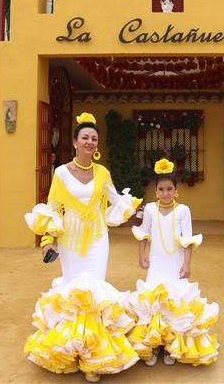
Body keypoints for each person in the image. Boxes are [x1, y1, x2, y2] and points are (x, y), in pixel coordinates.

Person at [24, 112, 142, 382]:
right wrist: (47, 241)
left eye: (94, 138)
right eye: (85, 137)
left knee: (94, 292)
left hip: (99, 241)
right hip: (70, 243)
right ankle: (69, 351)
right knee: (74, 291)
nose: (90, 141)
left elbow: (116, 200)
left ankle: (93, 358)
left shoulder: (103, 173)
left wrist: (137, 210)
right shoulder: (61, 173)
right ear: (76, 142)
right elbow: (52, 210)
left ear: (97, 145)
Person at [127, 158, 219, 366]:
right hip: (157, 262)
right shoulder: (150, 209)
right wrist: (141, 255)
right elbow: (144, 234)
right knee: (154, 301)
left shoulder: (183, 211)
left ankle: (172, 345)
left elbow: (187, 240)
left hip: (175, 261)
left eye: (170, 188)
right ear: (155, 190)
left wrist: (187, 264)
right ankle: (155, 345)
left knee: (175, 300)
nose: (165, 193)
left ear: (176, 190)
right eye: (161, 189)